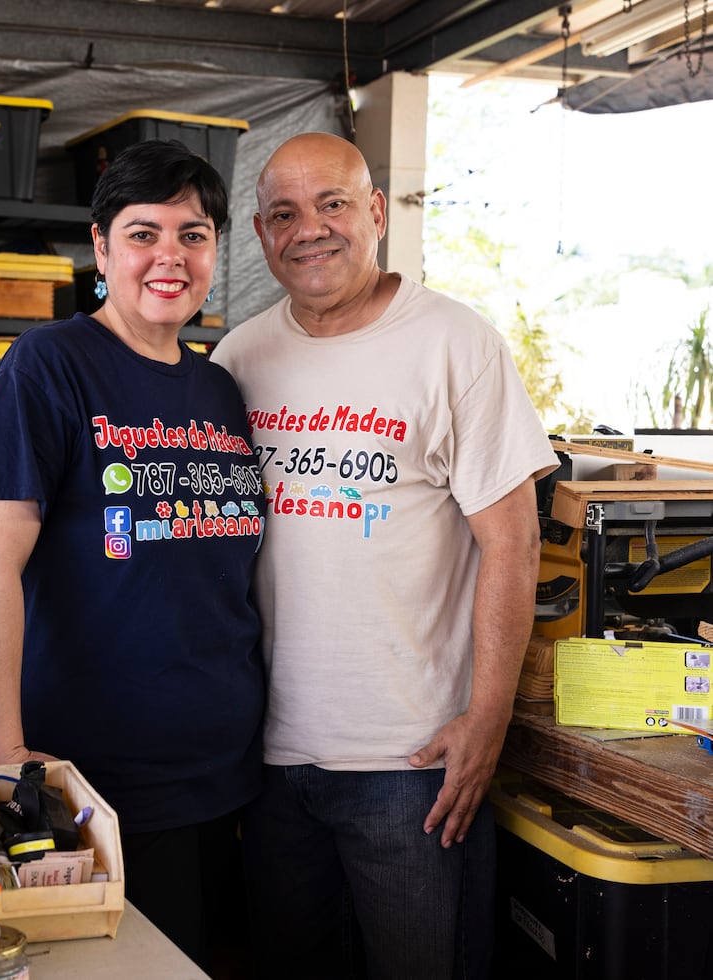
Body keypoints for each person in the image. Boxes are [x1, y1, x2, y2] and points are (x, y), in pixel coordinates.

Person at [210, 132, 560, 979]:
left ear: (374, 213)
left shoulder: (456, 345)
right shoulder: (238, 358)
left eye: (333, 204)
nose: (311, 229)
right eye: (285, 213)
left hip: (413, 762)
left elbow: (513, 544)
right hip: (267, 756)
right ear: (260, 235)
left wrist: (488, 717)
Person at [0, 139, 266, 972]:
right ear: (100, 247)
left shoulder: (221, 388)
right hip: (101, 780)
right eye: (143, 233)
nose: (171, 256)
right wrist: (5, 754)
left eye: (193, 235)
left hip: (228, 770)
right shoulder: (49, 366)